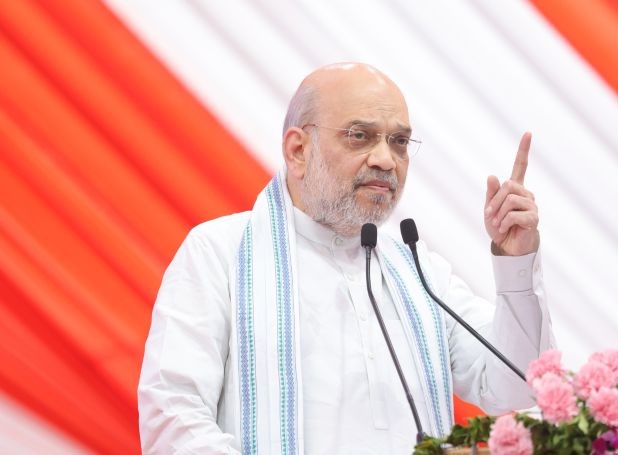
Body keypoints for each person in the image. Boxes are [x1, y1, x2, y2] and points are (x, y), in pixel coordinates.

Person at [138, 63, 555, 454]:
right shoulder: (220, 253)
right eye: (360, 135)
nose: (385, 160)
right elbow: (172, 417)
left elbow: (517, 385)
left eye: (399, 142)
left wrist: (514, 263)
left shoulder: (418, 272)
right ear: (298, 150)